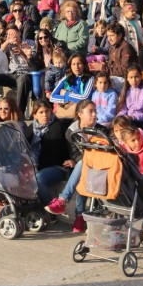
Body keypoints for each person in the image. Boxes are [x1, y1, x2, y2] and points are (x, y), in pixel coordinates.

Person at [45, 99, 100, 232]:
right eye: (90, 111)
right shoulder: (71, 131)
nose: (94, 115)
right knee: (82, 170)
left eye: (95, 111)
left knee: (82, 165)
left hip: (100, 168)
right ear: (80, 114)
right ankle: (79, 216)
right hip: (83, 167)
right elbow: (74, 154)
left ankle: (64, 202)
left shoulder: (101, 129)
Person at [28, 100, 71, 206]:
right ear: (35, 115)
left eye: (47, 111)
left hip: (58, 167)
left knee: (38, 179)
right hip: (37, 166)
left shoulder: (56, 126)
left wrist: (35, 167)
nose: (45, 115)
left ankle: (51, 209)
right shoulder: (31, 129)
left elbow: (55, 155)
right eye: (41, 112)